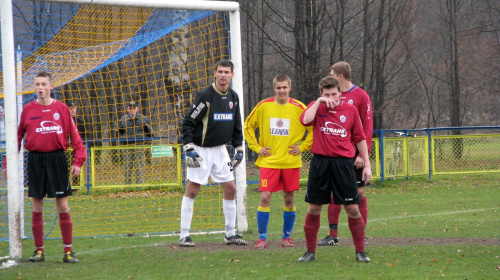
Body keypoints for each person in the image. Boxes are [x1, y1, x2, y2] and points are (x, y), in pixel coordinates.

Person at [2, 71, 86, 263]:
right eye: (37, 84)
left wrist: (78, 161)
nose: (39, 88)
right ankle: (39, 251)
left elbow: (75, 138)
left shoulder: (62, 109)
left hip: (57, 159)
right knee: (37, 206)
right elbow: (16, 139)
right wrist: (8, 164)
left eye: (43, 84)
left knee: (63, 205)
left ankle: (68, 251)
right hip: (36, 160)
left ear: (50, 87)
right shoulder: (28, 110)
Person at [297, 76, 371, 262]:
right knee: (314, 208)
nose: (331, 97)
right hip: (320, 164)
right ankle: (310, 252)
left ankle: (360, 251)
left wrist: (367, 165)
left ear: (340, 93)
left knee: (352, 209)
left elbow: (360, 138)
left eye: (334, 94)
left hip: (344, 165)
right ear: (321, 93)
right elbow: (305, 120)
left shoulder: (350, 109)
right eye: (327, 94)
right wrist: (319, 102)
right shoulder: (317, 106)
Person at [178, 59, 247, 247]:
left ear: (232, 75)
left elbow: (236, 125)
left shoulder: (233, 97)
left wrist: (239, 148)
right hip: (200, 150)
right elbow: (187, 123)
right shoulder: (205, 96)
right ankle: (184, 235)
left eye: (227, 72)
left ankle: (230, 234)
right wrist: (188, 148)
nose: (223, 75)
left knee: (231, 188)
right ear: (214, 73)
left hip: (220, 150)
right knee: (192, 190)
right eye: (220, 72)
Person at [244, 74, 313, 249]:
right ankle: (262, 237)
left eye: (284, 87)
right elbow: (248, 126)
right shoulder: (263, 106)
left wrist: (303, 147)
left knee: (289, 199)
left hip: (290, 162)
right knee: (265, 197)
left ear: (290, 87)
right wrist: (257, 148)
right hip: (269, 162)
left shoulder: (299, 108)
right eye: (278, 87)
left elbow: (313, 129)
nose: (281, 90)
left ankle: (286, 237)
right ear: (274, 88)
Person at [318, 61, 373, 247]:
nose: (329, 77)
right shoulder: (329, 96)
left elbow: (366, 127)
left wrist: (362, 156)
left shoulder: (361, 96)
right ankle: (333, 235)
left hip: (353, 156)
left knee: (358, 192)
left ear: (339, 77)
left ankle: (362, 233)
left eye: (331, 74)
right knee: (333, 194)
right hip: (334, 156)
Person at [118, 101, 153, 185]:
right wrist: (122, 143)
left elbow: (150, 133)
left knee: (139, 166)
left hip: (139, 145)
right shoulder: (123, 119)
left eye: (134, 108)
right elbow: (119, 132)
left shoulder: (143, 119)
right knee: (127, 167)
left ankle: (139, 186)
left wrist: (147, 145)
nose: (132, 110)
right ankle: (127, 186)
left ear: (137, 109)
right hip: (127, 146)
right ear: (128, 109)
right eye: (130, 108)